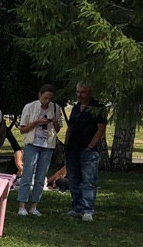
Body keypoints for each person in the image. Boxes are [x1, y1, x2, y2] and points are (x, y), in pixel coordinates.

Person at [14, 83, 63, 217]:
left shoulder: (55, 108)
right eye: (45, 98)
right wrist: (37, 122)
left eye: (50, 99)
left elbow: (58, 129)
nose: (47, 101)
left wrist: (54, 122)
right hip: (33, 143)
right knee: (27, 174)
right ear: (40, 95)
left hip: (48, 145)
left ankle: (34, 206)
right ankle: (22, 205)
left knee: (41, 177)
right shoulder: (30, 107)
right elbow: (23, 129)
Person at [64, 82, 109, 221]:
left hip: (88, 149)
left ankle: (88, 209)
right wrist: (66, 144)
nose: (79, 95)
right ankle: (77, 207)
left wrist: (91, 146)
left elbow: (101, 129)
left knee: (88, 180)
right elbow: (70, 127)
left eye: (82, 92)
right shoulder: (76, 108)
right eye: (77, 92)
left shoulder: (98, 108)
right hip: (72, 148)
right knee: (73, 179)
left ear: (89, 92)